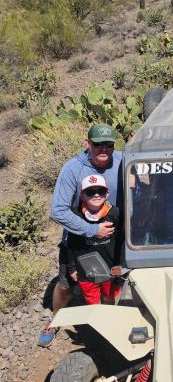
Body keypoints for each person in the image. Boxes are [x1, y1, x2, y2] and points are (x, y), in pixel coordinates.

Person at [37, 123, 122, 347]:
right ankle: (55, 319)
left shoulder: (122, 161)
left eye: (108, 144)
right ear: (87, 144)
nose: (103, 149)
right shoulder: (73, 169)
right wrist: (93, 230)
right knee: (67, 284)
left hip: (112, 238)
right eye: (97, 144)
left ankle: (108, 324)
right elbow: (59, 211)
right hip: (78, 240)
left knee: (111, 282)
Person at [68, 174, 122, 305]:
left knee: (109, 299)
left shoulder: (114, 213)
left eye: (101, 191)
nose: (97, 195)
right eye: (91, 192)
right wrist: (71, 268)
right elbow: (71, 243)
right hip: (86, 271)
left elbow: (120, 240)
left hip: (110, 268)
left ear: (107, 194)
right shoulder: (75, 216)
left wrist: (120, 264)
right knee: (93, 302)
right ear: (82, 196)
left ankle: (109, 322)